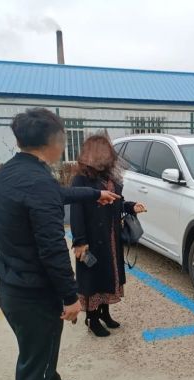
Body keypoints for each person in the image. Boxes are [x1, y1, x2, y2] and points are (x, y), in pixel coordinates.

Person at [0, 108, 119, 380]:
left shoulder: (11, 172)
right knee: (34, 368)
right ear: (54, 141)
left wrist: (93, 194)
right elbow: (52, 249)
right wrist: (71, 297)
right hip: (34, 296)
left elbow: (54, 194)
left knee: (39, 353)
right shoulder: (39, 183)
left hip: (9, 285)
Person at [70, 132, 146, 337]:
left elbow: (117, 201)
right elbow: (76, 212)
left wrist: (130, 206)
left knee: (109, 276)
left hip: (111, 235)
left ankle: (105, 313)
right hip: (91, 237)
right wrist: (80, 241)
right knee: (93, 278)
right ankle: (92, 318)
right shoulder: (81, 179)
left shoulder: (109, 175)